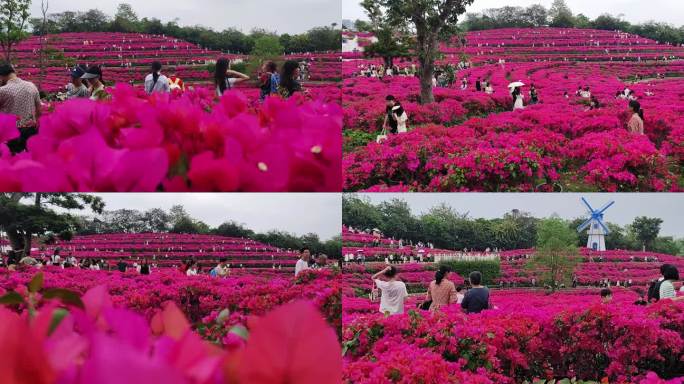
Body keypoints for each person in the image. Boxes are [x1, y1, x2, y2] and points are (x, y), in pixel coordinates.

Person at [0, 64, 42, 154]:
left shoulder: (2, 91)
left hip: (12, 134)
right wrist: (34, 121)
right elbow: (39, 110)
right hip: (31, 130)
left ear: (2, 76)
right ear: (14, 72)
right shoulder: (31, 86)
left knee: (13, 161)